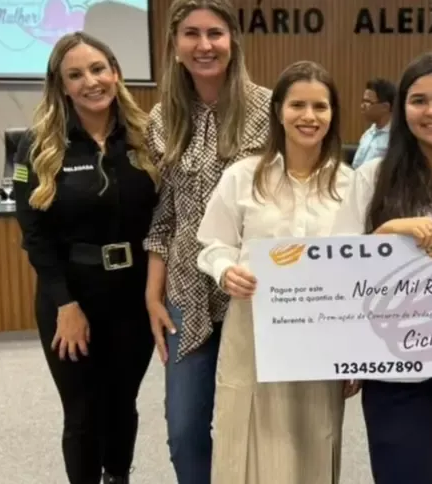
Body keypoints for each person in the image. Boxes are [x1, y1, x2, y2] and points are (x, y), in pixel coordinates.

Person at [196, 60, 357, 484]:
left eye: (320, 107)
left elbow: (362, 272)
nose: (309, 116)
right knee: (249, 441)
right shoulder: (242, 177)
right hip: (253, 331)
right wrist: (226, 269)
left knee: (313, 441)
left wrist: (357, 353)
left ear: (333, 114)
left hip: (321, 339)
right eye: (297, 105)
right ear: (278, 111)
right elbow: (212, 244)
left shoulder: (351, 184)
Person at [332, 51, 432, 484]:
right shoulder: (372, 177)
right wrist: (385, 232)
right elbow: (339, 264)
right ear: (403, 110)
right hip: (392, 363)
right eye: (419, 100)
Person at [12, 32, 159, 484]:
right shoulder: (39, 144)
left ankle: (118, 476)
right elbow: (34, 236)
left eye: (98, 69)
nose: (90, 82)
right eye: (75, 75)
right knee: (81, 412)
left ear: (115, 71)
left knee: (121, 403)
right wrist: (65, 305)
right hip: (72, 296)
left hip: (134, 297)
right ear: (60, 85)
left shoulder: (147, 136)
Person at [142, 0, 271, 482]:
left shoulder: (270, 108)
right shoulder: (162, 118)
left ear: (233, 40)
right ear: (175, 47)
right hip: (186, 294)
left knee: (257, 423)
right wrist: (153, 294)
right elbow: (164, 217)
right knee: (185, 428)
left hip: (255, 291)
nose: (204, 45)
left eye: (214, 33)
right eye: (191, 35)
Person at [351, 78, 396, 169]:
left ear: (385, 107)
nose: (362, 106)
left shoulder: (396, 138)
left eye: (368, 102)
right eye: (363, 101)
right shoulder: (369, 133)